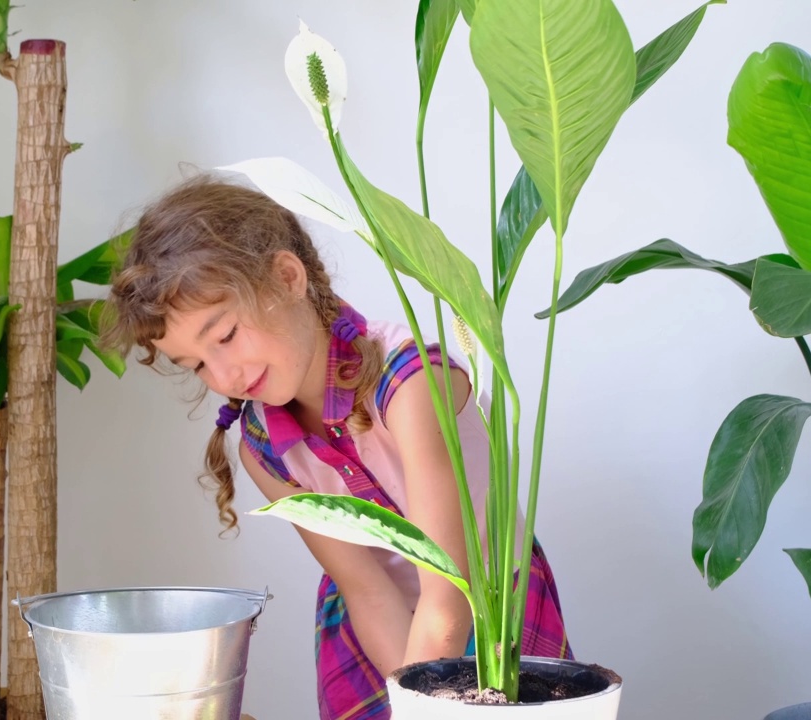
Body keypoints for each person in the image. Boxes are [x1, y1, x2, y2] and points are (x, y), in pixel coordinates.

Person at [105, 176, 571, 719]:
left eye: (226, 335)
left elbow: (448, 599)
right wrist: (408, 703)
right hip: (379, 631)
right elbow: (367, 589)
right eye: (198, 365)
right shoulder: (263, 447)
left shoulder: (411, 384)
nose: (225, 373)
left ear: (286, 278)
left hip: (490, 608)